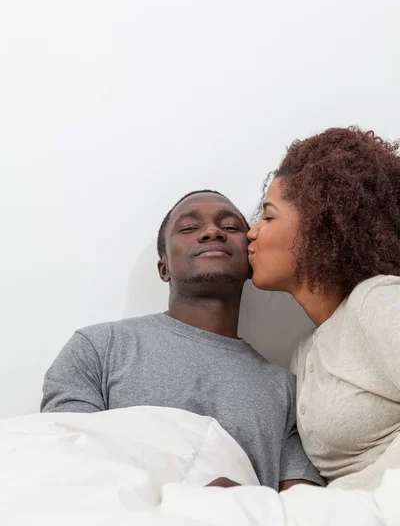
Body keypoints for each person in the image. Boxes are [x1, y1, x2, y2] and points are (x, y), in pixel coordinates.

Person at [41, 189, 323, 490]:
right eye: (189, 228)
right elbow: (64, 467)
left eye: (229, 227)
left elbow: (305, 507)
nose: (212, 231)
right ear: (164, 267)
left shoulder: (286, 390)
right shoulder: (97, 349)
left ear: (251, 260)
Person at [247, 126, 400, 490]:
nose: (252, 233)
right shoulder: (302, 354)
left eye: (268, 216)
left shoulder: (375, 301)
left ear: (319, 224)